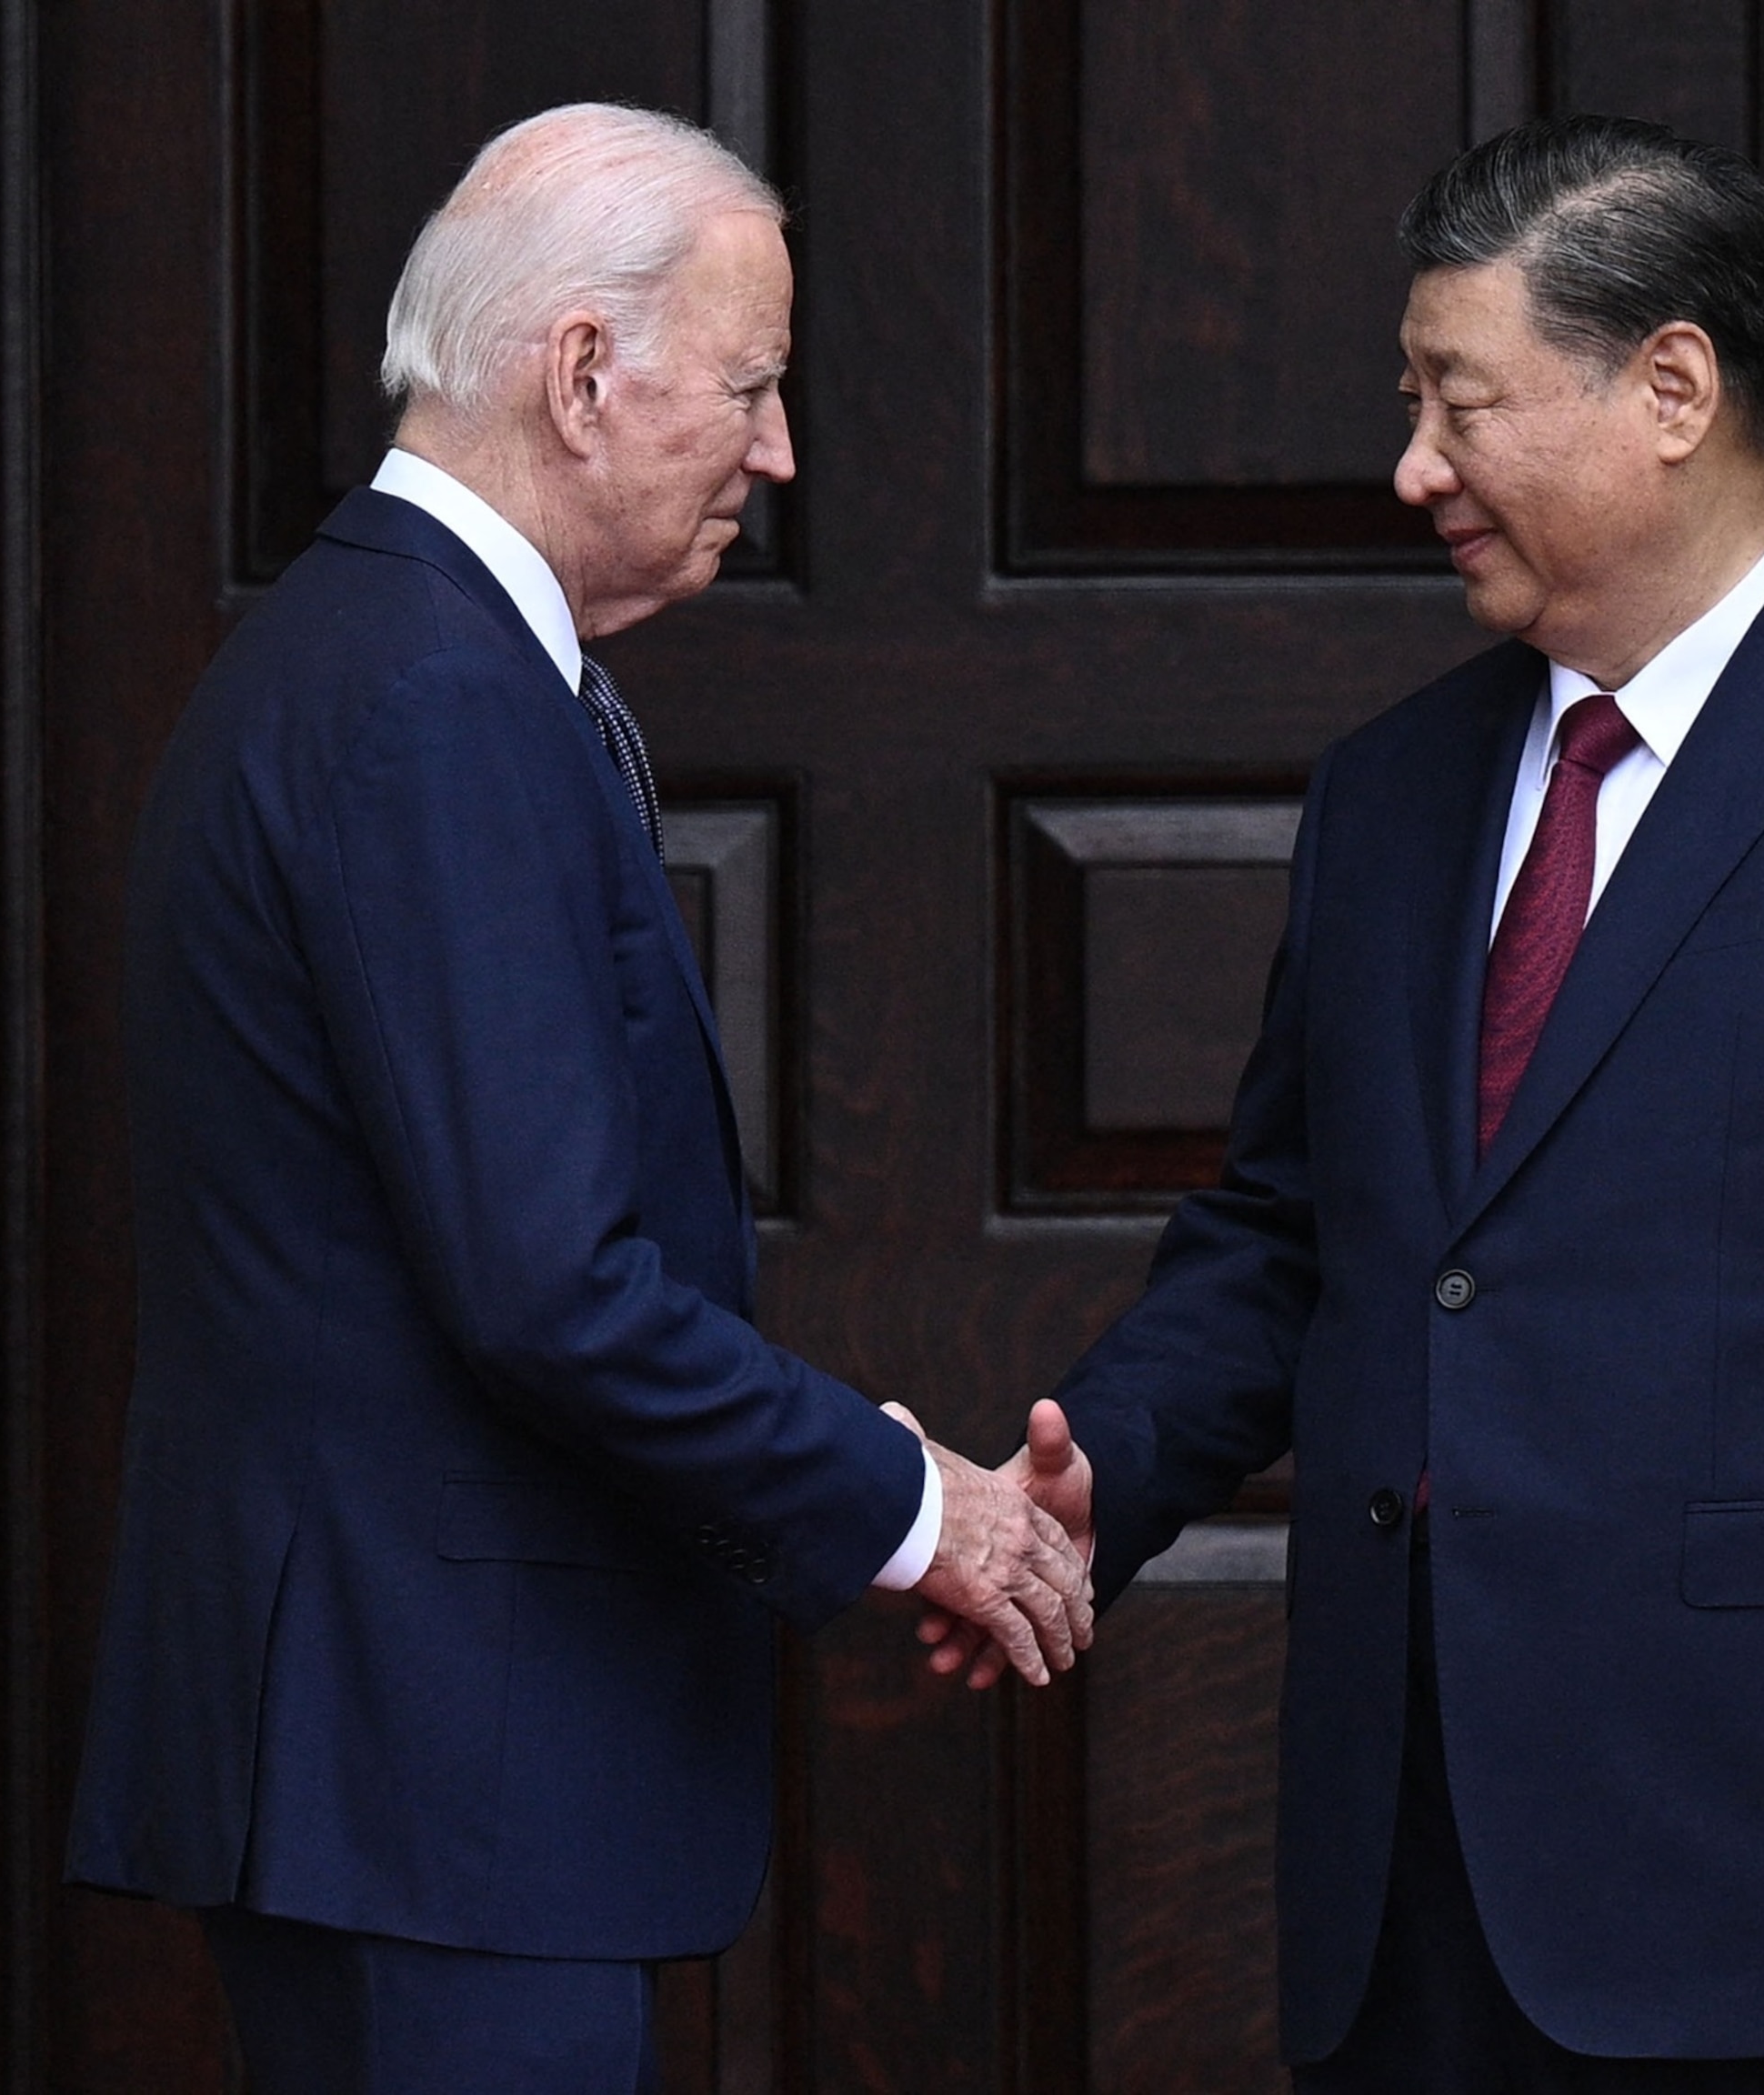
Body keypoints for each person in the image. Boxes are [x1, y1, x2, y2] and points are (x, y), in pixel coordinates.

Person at [932, 115, 1764, 2091]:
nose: (1414, 469)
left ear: (1673, 387)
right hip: (1411, 1863)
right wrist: (1114, 1458)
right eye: (1411, 404)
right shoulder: (1394, 788)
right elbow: (1295, 1229)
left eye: (1459, 401)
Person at [65, 103, 1089, 2095]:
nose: (779, 454)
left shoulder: (369, 650)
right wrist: (911, 1506)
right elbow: (545, 1287)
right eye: (754, 385)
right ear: (585, 372)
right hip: (431, 1771)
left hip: (407, 1762)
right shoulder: (433, 694)